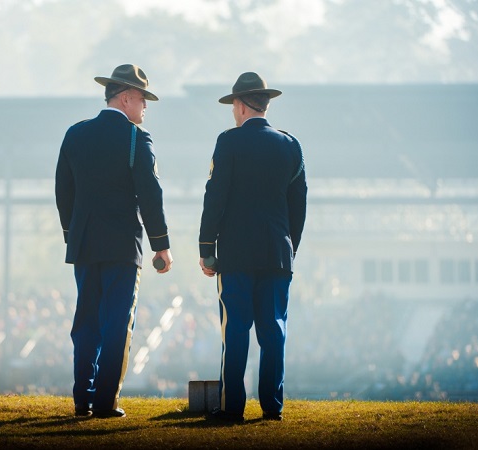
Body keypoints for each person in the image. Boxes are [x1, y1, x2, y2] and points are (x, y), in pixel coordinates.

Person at [55, 64, 173, 418]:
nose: (145, 107)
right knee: (117, 323)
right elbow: (150, 195)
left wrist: (70, 233)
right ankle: (105, 402)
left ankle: (82, 399)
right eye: (142, 99)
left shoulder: (75, 133)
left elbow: (64, 190)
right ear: (125, 98)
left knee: (86, 321)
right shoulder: (138, 139)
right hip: (123, 246)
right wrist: (161, 245)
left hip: (85, 243)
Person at [198, 72, 307, 422]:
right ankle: (272, 407)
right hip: (277, 252)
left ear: (240, 105)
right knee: (274, 330)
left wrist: (206, 246)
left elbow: (214, 198)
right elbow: (298, 205)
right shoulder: (290, 145)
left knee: (236, 330)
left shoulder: (228, 142)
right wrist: (290, 248)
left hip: (236, 254)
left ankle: (232, 408)